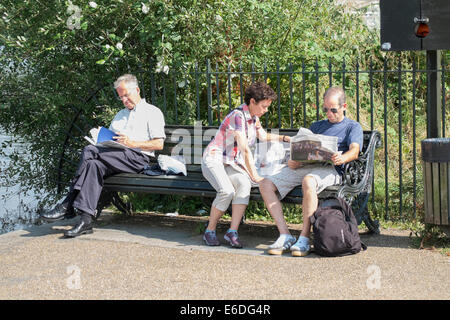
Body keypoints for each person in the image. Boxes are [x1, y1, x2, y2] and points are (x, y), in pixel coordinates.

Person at [40, 74, 166, 237]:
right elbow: (111, 140)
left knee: (88, 151)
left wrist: (132, 143)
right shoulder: (120, 115)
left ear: (137, 90)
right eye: (121, 97)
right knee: (93, 165)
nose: (124, 100)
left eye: (126, 95)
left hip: (138, 158)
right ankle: (85, 221)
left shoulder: (152, 112)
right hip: (116, 157)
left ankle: (67, 203)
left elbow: (158, 144)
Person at [259, 87, 363, 256]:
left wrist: (342, 158)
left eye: (333, 109)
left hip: (331, 169)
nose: (329, 113)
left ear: (344, 106)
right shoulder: (317, 126)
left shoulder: (352, 127)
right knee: (265, 184)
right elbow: (305, 148)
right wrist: (295, 160)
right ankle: (285, 234)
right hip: (307, 166)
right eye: (325, 109)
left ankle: (304, 238)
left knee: (308, 180)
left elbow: (355, 151)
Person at [201, 82, 289, 248]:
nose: (266, 110)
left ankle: (232, 232)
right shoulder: (238, 116)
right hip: (214, 159)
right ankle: (209, 230)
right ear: (253, 102)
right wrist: (255, 175)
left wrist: (285, 138)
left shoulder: (253, 118)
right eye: (263, 106)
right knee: (226, 191)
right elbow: (245, 149)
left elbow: (262, 136)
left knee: (244, 184)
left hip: (231, 163)